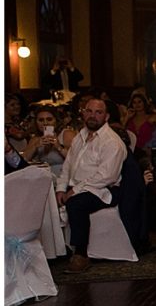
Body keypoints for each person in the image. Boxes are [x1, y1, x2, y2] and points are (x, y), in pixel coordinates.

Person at [56, 98, 128, 273]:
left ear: (106, 116)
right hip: (80, 186)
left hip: (105, 190)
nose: (93, 116)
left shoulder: (112, 142)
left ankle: (81, 255)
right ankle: (57, 251)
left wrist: (74, 190)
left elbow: (106, 176)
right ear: (83, 112)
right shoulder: (79, 137)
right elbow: (68, 166)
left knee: (77, 203)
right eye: (89, 111)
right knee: (48, 197)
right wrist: (60, 188)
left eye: (98, 112)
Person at [23, 106, 76, 176]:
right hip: (43, 178)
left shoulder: (66, 134)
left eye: (49, 119)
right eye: (41, 120)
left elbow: (76, 159)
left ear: (56, 121)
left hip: (63, 178)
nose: (45, 123)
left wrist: (59, 147)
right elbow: (23, 161)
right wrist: (35, 147)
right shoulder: (35, 139)